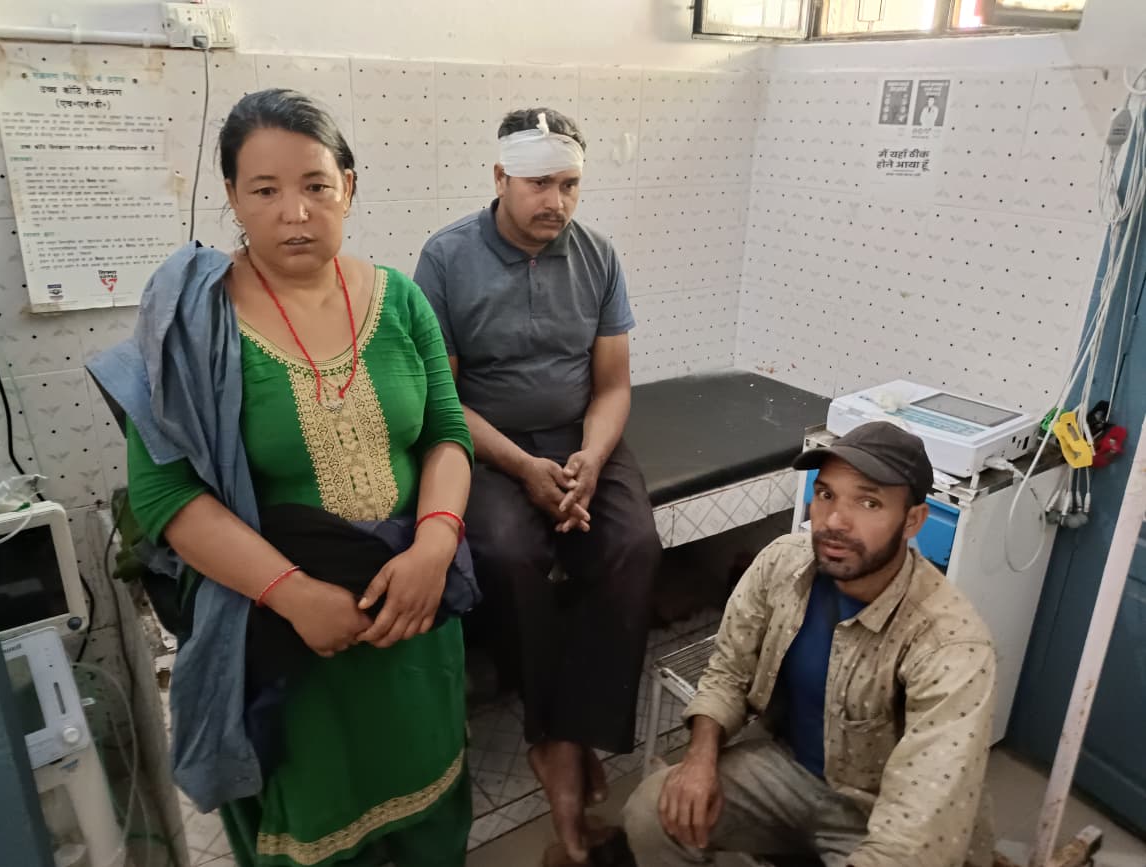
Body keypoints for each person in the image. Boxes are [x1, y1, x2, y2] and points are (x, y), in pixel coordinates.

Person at [87, 89, 474, 867]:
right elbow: (166, 495)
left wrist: (435, 548)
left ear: (348, 188)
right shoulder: (192, 327)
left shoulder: (402, 301)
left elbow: (446, 433)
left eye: (316, 185)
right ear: (232, 197)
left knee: (431, 813)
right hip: (286, 637)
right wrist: (295, 596)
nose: (294, 212)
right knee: (313, 824)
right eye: (265, 190)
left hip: (411, 617)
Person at [414, 107, 661, 865]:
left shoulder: (598, 255)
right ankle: (550, 738)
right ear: (500, 178)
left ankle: (574, 731)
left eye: (569, 185)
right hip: (488, 446)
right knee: (507, 552)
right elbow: (441, 398)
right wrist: (523, 468)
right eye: (539, 184)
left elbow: (612, 385)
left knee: (632, 544)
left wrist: (590, 458)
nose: (556, 201)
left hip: (580, 437)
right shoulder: (446, 258)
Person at [623, 422, 997, 867]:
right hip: (787, 770)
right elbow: (729, 671)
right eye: (826, 494)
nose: (835, 521)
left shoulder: (950, 644)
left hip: (876, 811)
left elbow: (915, 835)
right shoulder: (782, 563)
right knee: (651, 813)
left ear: (912, 521)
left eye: (869, 502)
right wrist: (699, 759)